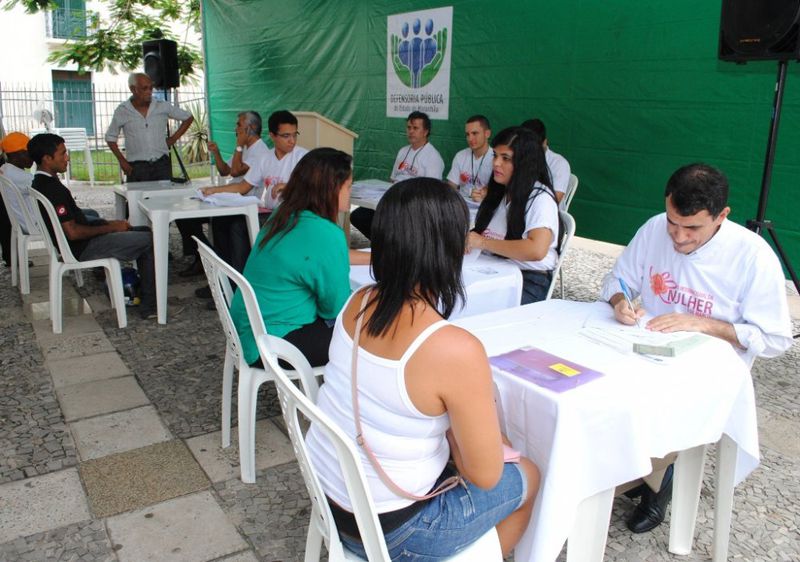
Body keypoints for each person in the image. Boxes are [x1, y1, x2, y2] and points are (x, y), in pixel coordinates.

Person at [305, 178, 540, 560]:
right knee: (529, 473)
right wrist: (467, 445)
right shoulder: (453, 349)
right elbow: (485, 476)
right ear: (447, 249)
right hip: (397, 532)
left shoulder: (358, 301)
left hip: (330, 499)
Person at [600, 162, 793, 534]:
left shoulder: (752, 255)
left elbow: (774, 339)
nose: (679, 236)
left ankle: (661, 479)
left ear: (722, 216)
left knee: (658, 399)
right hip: (642, 345)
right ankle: (629, 468)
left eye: (692, 228)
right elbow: (617, 277)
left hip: (707, 369)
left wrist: (703, 323)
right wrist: (619, 300)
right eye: (674, 221)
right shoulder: (655, 227)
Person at [229, 147, 352, 368]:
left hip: (247, 331)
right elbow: (335, 309)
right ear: (332, 189)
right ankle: (341, 399)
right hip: (275, 343)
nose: (350, 193)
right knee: (364, 332)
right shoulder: (327, 234)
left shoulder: (284, 214)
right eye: (349, 186)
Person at [28, 133, 157, 319]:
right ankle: (149, 305)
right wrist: (111, 228)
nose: (68, 158)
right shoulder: (52, 189)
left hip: (80, 242)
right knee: (151, 240)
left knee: (142, 231)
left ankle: (138, 289)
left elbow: (75, 222)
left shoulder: (40, 182)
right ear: (47, 159)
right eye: (63, 154)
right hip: (81, 248)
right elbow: (72, 232)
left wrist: (109, 224)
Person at [196, 110, 308, 303]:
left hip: (294, 215)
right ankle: (225, 281)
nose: (291, 141)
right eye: (285, 136)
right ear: (272, 136)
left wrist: (289, 186)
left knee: (239, 227)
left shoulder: (303, 157)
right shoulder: (266, 158)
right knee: (222, 222)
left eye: (294, 135)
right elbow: (243, 186)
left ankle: (240, 290)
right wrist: (213, 190)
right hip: (271, 213)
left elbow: (315, 186)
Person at [105, 72, 207, 277]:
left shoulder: (161, 106)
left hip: (161, 165)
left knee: (171, 207)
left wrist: (172, 140)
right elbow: (110, 137)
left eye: (151, 87)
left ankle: (191, 254)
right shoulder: (123, 110)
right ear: (133, 89)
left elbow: (188, 118)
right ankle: (144, 251)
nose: (149, 92)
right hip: (137, 168)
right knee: (137, 211)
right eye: (144, 88)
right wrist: (122, 161)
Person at [468, 126, 560, 304]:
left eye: (506, 158)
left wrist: (483, 243)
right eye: (495, 155)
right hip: (495, 270)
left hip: (528, 280)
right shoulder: (501, 192)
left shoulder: (540, 198)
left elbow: (536, 250)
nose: (496, 163)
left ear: (524, 163)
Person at [350, 110, 444, 240]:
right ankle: (385, 245)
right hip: (393, 199)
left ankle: (391, 246)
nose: (411, 131)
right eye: (409, 127)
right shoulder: (403, 151)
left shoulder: (433, 157)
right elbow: (393, 179)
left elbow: (431, 194)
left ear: (426, 131)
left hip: (412, 206)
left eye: (415, 128)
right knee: (358, 216)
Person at [0, 132, 36, 265]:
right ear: (15, 155)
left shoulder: (4, 169)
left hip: (20, 222)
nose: (33, 156)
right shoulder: (23, 178)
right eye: (29, 152)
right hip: (34, 224)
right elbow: (49, 191)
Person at [520, 118, 571, 205]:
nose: (529, 149)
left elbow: (554, 200)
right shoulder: (516, 158)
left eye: (533, 145)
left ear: (544, 142)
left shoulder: (559, 163)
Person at [207, 111, 268, 180]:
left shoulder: (261, 150)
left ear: (250, 128)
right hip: (233, 189)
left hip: (241, 191)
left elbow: (235, 172)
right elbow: (224, 171)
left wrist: (239, 145)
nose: (236, 129)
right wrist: (216, 152)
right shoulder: (244, 147)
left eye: (239, 125)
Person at [446, 114, 494, 201]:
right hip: (461, 206)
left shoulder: (496, 159)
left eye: (475, 133)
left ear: (487, 134)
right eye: (467, 134)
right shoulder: (460, 156)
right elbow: (451, 187)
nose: (470, 138)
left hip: (486, 207)